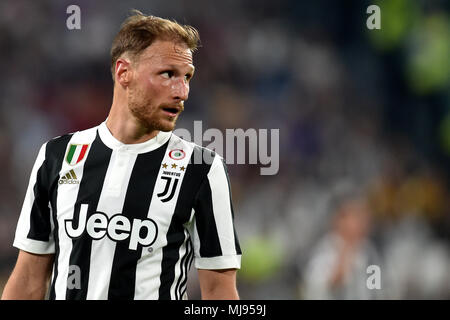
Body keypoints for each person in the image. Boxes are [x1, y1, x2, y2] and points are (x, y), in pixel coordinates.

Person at [1, 11, 242, 300]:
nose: (182, 91)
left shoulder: (201, 168)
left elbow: (219, 292)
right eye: (168, 74)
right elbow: (28, 278)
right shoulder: (57, 155)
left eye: (186, 77)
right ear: (123, 72)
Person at [301, 194, 382, 299]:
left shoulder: (368, 249)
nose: (363, 221)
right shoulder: (326, 250)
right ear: (340, 220)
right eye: (356, 216)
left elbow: (376, 288)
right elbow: (318, 290)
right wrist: (344, 255)